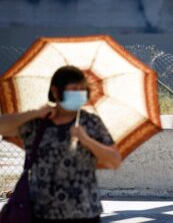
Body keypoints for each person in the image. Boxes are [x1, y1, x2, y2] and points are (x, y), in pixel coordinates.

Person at [0, 66, 121, 223]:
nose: (79, 94)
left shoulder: (91, 123)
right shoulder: (38, 123)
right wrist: (35, 113)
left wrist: (86, 140)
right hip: (40, 213)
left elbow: (114, 160)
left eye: (82, 90)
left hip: (84, 213)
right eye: (73, 89)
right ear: (56, 91)